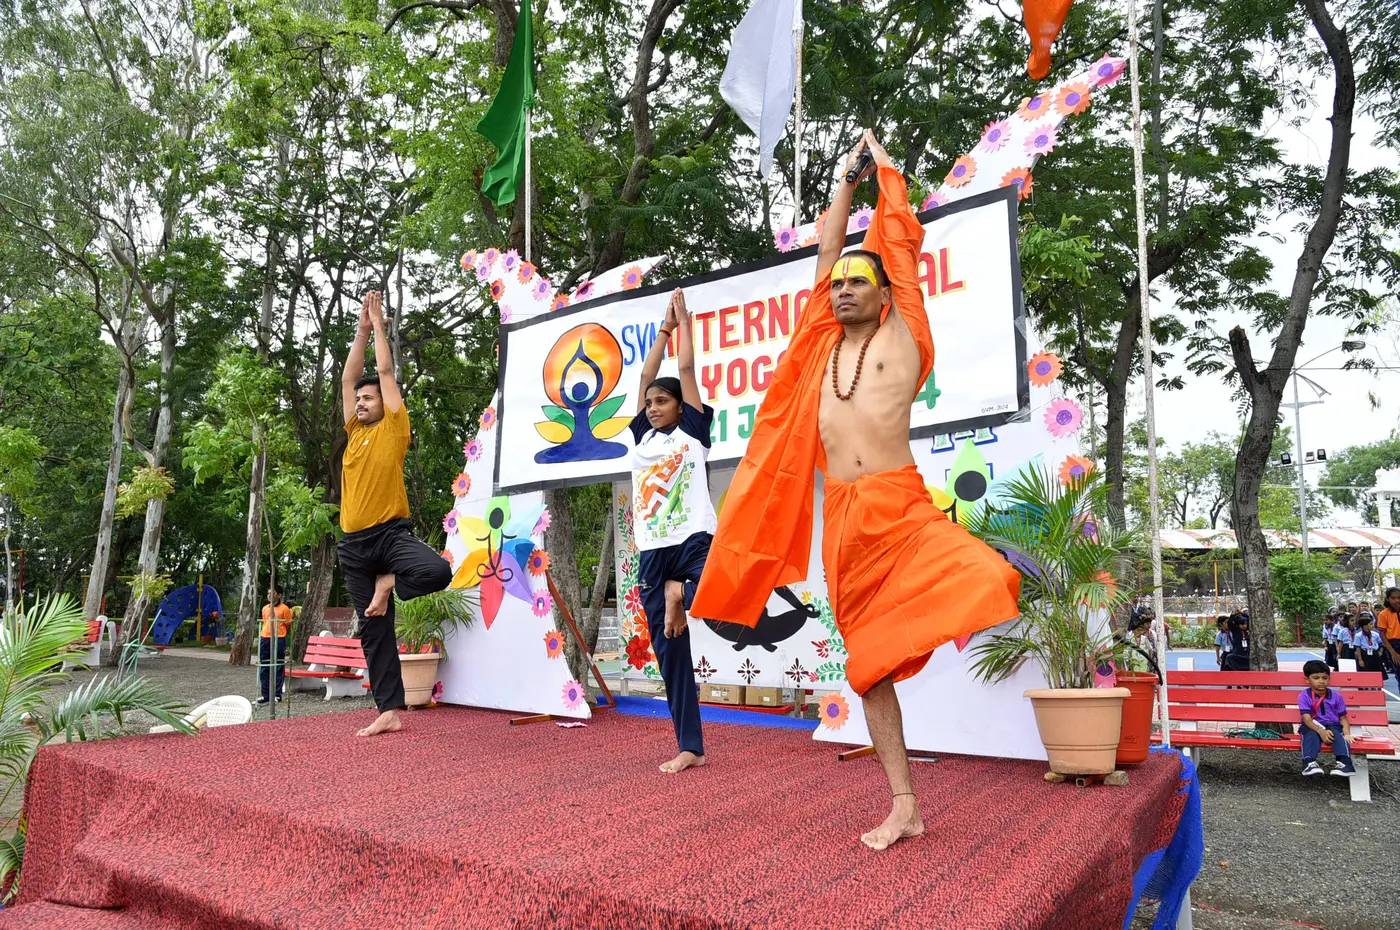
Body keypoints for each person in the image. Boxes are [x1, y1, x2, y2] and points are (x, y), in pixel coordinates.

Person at [691, 130, 1021, 850]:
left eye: (855, 282)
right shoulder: (818, 346)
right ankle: (905, 803)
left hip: (898, 505)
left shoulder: (905, 337)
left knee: (980, 576)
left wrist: (883, 177)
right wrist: (842, 179)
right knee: (869, 667)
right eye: (836, 283)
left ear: (882, 294)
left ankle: (1001, 559)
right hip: (843, 522)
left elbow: (898, 245)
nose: (841, 290)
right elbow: (826, 248)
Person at [339, 290, 452, 737]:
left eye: (370, 398)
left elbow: (384, 371)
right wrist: (360, 331)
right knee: (373, 628)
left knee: (436, 571)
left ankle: (389, 584)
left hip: (389, 536)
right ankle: (388, 709)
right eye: (360, 399)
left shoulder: (394, 427)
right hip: (353, 545)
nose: (363, 402)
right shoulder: (353, 431)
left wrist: (380, 326)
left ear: (386, 403)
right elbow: (349, 377)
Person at [629, 289, 715, 774]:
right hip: (653, 552)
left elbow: (685, 372)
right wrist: (660, 330)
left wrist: (682, 326)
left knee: (712, 596)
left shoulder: (693, 434)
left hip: (693, 542)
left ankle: (681, 593)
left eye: (663, 401)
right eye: (651, 403)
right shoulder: (643, 439)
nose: (655, 406)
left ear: (681, 408)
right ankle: (691, 747)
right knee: (671, 654)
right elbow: (646, 374)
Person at [1298, 659, 1356, 777]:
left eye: (1325, 678)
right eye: (1316, 678)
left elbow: (1343, 718)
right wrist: (1320, 731)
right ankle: (1309, 763)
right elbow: (1307, 719)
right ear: (1307, 680)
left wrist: (1347, 734)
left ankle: (1345, 763)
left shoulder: (1336, 696)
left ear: (1329, 680)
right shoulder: (1304, 696)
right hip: (1312, 725)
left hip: (1332, 725)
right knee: (1310, 734)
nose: (1321, 681)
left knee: (1336, 734)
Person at [258, 587, 293, 705]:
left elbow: (288, 624)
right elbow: (265, 621)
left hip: (279, 638)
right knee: (264, 666)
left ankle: (277, 694)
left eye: (271, 593)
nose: (268, 595)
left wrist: (282, 634)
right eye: (267, 593)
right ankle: (265, 695)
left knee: (278, 665)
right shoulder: (265, 608)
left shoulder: (285, 609)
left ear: (279, 595)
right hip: (265, 638)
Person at [1352, 613, 1387, 679]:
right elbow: (1358, 648)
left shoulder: (1375, 634)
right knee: (1366, 672)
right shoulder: (1358, 635)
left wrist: (1380, 652)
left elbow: (1381, 644)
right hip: (1364, 654)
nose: (1373, 625)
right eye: (1371, 624)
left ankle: (1377, 687)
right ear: (1365, 626)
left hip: (1375, 654)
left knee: (1377, 672)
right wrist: (1360, 660)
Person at [1377, 587, 1400, 675]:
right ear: (1388, 599)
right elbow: (1382, 635)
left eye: (1398, 597)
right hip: (1394, 645)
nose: (1396, 600)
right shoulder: (1384, 614)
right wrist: (1393, 653)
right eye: (1393, 598)